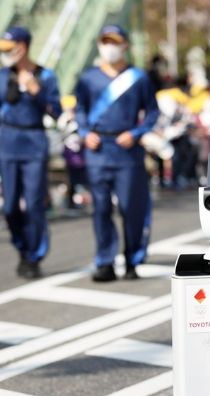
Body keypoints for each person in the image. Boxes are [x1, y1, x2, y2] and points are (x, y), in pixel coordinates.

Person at [75, 24, 159, 282]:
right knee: (100, 208)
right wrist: (83, 132)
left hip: (127, 152)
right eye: (105, 41)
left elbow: (153, 112)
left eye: (115, 41)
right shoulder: (88, 78)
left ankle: (133, 260)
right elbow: (79, 111)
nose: (109, 46)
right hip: (98, 150)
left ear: (125, 46)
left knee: (130, 208)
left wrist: (135, 133)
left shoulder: (139, 77)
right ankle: (105, 261)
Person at [0, 26, 62, 278]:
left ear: (23, 47)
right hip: (7, 142)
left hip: (34, 141)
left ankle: (34, 256)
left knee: (35, 203)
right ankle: (22, 248)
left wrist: (37, 91)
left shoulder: (46, 76)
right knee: (9, 206)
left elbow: (57, 111)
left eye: (9, 49)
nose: (5, 54)